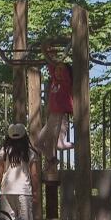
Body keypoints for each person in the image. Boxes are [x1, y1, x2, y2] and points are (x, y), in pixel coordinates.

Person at [36, 43, 73, 176]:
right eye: (56, 70)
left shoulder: (66, 83)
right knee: (39, 143)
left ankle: (77, 145)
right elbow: (51, 64)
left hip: (60, 116)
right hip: (52, 117)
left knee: (59, 145)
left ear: (66, 73)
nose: (58, 71)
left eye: (61, 70)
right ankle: (52, 160)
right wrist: (48, 52)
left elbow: (59, 68)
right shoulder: (54, 81)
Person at [0, 123, 39, 220]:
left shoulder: (4, 151)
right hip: (24, 190)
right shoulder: (29, 152)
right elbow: (34, 174)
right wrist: (35, 192)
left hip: (7, 190)